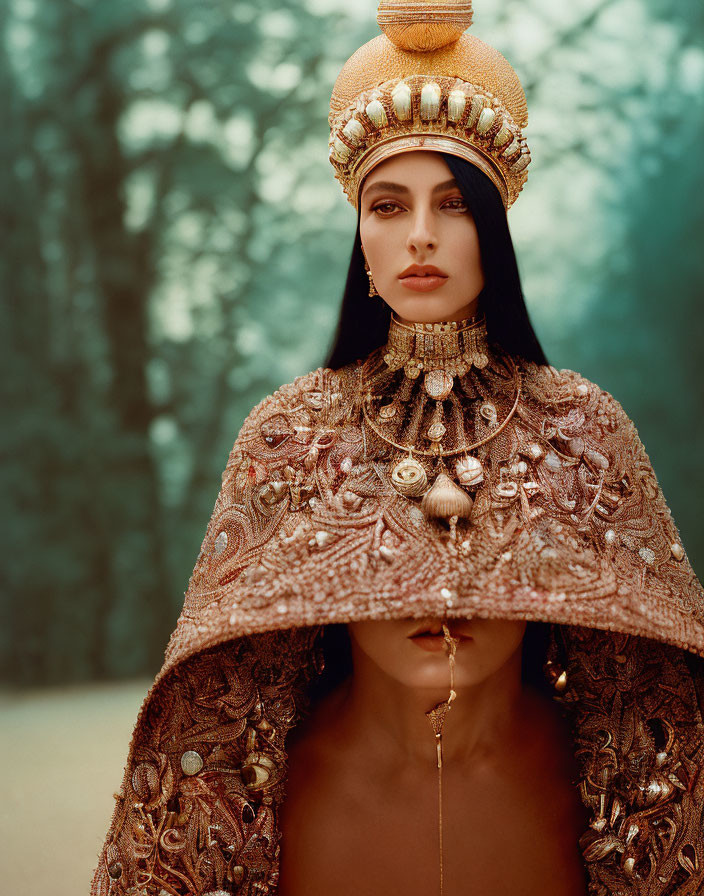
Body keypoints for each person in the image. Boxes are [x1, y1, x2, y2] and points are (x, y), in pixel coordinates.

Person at [92, 3, 704, 895]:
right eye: (389, 204)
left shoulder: (584, 430)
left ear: (494, 230)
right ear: (362, 238)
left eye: (454, 204)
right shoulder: (291, 435)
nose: (420, 234)